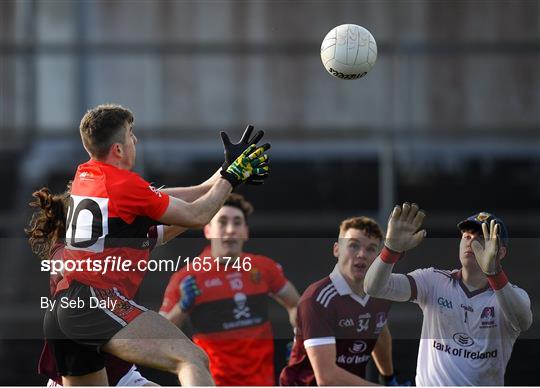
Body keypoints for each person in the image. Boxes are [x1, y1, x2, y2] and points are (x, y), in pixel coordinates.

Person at [42, 104, 271, 385]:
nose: (135, 140)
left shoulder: (87, 174)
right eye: (130, 134)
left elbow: (178, 203)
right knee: (191, 358)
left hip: (64, 310)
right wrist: (232, 178)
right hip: (95, 302)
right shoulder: (125, 186)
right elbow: (197, 215)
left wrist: (225, 174)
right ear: (118, 149)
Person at [26, 184, 185, 386]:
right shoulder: (64, 252)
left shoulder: (118, 246)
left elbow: (182, 217)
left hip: (121, 373)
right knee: (189, 359)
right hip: (77, 374)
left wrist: (222, 184)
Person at [364, 203, 533, 386]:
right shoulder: (433, 280)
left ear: (500, 252)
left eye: (481, 237)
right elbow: (374, 288)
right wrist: (391, 250)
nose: (470, 241)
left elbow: (523, 322)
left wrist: (495, 274)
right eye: (466, 236)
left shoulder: (512, 295)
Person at [160, 193, 300, 386]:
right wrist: (182, 307)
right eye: (223, 222)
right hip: (212, 382)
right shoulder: (187, 278)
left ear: (245, 231)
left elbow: (296, 306)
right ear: (208, 230)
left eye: (237, 223)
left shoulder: (264, 268)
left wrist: (300, 340)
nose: (230, 230)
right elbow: (158, 335)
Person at [280, 216, 401, 386]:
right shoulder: (316, 299)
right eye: (353, 245)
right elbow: (327, 378)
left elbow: (380, 331)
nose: (361, 254)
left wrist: (388, 378)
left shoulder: (380, 294)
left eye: (371, 249)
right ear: (337, 249)